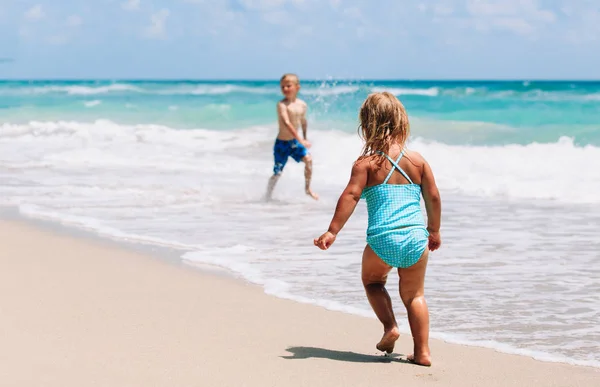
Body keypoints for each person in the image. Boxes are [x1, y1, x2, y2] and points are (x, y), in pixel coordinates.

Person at [314, 92, 442, 366]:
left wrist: (332, 231)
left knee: (373, 282)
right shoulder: (418, 161)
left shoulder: (366, 164)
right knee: (415, 295)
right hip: (415, 239)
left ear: (367, 125)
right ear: (402, 123)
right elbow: (433, 197)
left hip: (382, 240)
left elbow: (350, 196)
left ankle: (390, 327)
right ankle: (422, 353)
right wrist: (434, 231)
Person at [266, 74, 319, 201]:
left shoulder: (302, 105)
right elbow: (287, 123)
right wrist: (301, 139)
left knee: (309, 160)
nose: (285, 88)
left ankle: (308, 189)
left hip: (294, 143)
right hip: (282, 144)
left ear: (297, 87)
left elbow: (303, 122)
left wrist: (305, 138)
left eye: (288, 86)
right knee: (277, 172)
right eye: (282, 86)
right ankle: (268, 195)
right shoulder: (282, 105)